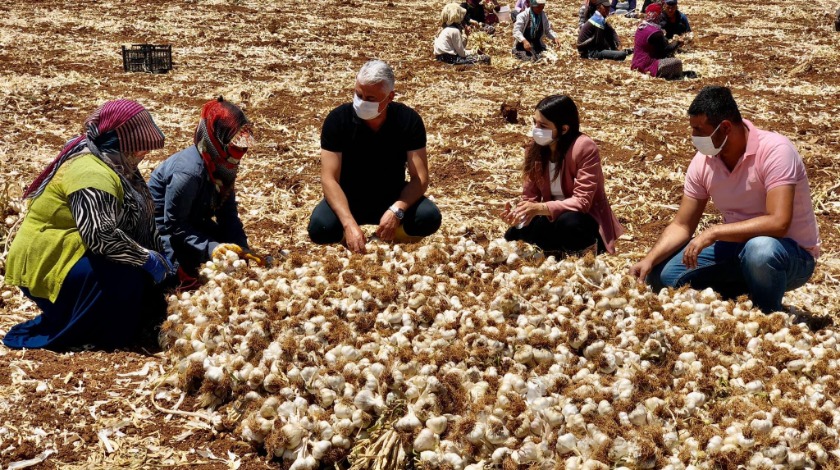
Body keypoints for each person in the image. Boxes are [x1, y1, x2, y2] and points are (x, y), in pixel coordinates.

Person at [630, 86, 821, 314]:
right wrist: (649, 260)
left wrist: (714, 232)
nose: (694, 137)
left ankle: (769, 316)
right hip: (736, 250)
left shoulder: (775, 151)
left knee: (759, 251)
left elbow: (778, 223)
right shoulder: (704, 162)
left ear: (725, 128)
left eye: (699, 130)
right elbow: (682, 224)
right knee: (663, 276)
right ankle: (742, 298)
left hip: (790, 254)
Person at [3, 100, 172, 350]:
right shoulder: (91, 173)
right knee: (125, 278)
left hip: (73, 248)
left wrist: (165, 264)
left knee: (142, 284)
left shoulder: (117, 164)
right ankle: (95, 331)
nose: (144, 153)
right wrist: (147, 259)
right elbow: (100, 236)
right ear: (118, 143)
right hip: (47, 258)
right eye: (139, 148)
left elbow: (141, 218)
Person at [308, 60, 442, 253]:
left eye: (370, 98)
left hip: (392, 195)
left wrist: (397, 209)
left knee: (429, 217)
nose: (362, 102)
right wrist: (348, 223)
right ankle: (353, 238)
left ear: (390, 97)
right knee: (320, 228)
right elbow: (329, 178)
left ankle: (386, 237)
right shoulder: (337, 120)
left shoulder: (408, 121)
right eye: (359, 95)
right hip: (349, 198)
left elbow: (420, 178)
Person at [149, 98, 266, 285]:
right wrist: (212, 248)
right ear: (216, 138)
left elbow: (227, 213)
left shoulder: (222, 164)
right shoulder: (188, 173)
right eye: (237, 146)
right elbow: (174, 225)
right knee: (183, 281)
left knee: (233, 255)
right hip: (162, 234)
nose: (241, 153)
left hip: (193, 224)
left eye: (244, 148)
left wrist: (243, 249)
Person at [501, 95, 624, 255]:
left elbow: (582, 202)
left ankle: (586, 248)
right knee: (513, 235)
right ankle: (555, 250)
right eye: (535, 123)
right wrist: (520, 215)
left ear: (564, 129)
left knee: (569, 223)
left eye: (543, 126)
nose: (536, 130)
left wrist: (540, 208)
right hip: (550, 215)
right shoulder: (534, 149)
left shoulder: (584, 148)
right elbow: (530, 197)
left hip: (581, 219)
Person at [631, 3, 683, 79]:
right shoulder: (654, 32)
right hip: (647, 66)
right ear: (657, 16)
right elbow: (666, 50)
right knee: (677, 63)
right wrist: (677, 42)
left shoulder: (642, 26)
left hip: (636, 63)